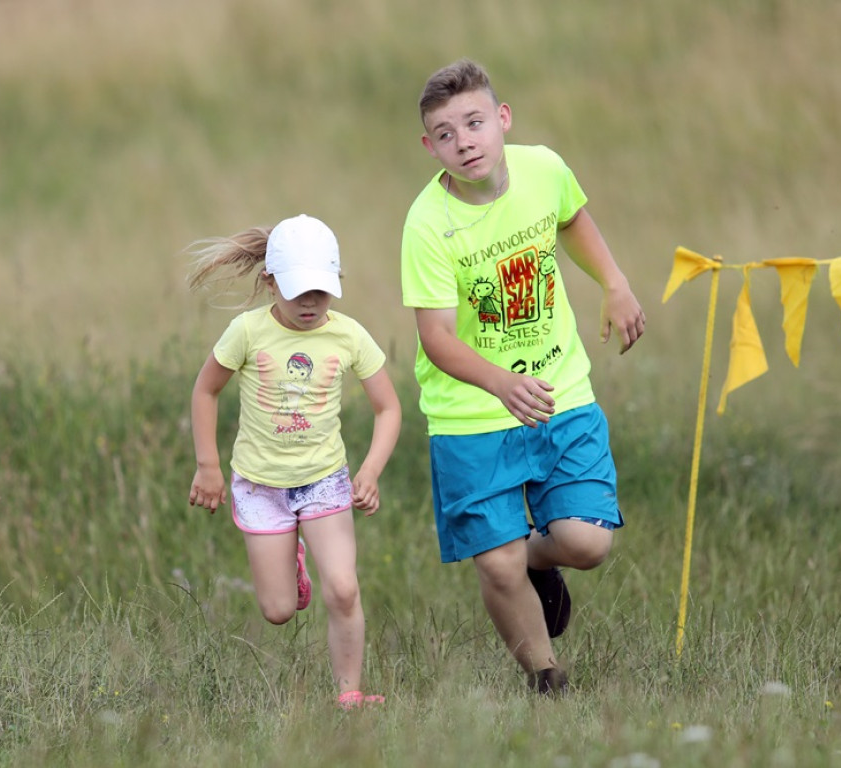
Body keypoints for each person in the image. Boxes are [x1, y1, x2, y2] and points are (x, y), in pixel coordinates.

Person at [400, 59, 645, 695]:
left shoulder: (543, 168)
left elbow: (571, 219)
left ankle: (537, 555)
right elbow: (437, 338)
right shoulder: (428, 224)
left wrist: (614, 285)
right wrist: (500, 384)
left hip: (561, 393)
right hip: (471, 416)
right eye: (446, 133)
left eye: (475, 122)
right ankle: (547, 681)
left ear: (502, 120)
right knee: (498, 563)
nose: (465, 141)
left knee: (587, 543)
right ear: (430, 147)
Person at [187, 214, 401, 709]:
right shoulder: (246, 332)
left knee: (344, 590)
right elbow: (205, 390)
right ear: (270, 282)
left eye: (322, 292)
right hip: (261, 486)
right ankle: (294, 558)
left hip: (324, 482)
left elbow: (388, 408)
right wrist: (208, 466)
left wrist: (369, 472)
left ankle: (349, 693)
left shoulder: (348, 336)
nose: (310, 303)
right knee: (279, 610)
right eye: (298, 290)